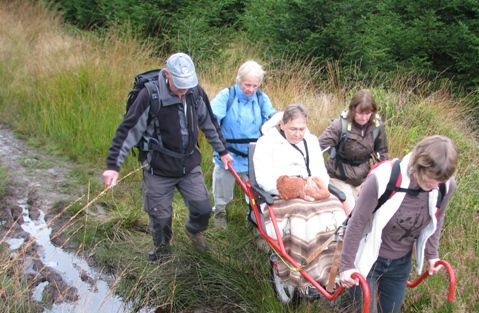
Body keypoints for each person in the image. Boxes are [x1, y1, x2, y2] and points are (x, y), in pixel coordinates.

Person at [337, 135, 457, 313]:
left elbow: (437, 218)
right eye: (430, 179)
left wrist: (432, 255)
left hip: (400, 263)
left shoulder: (445, 186)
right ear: (418, 166)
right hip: (369, 259)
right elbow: (358, 221)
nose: (434, 185)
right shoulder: (383, 179)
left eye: (439, 181)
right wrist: (346, 265)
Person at [102, 52, 232, 261]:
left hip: (189, 165)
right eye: (180, 84)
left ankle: (193, 230)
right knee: (160, 217)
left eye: (188, 84)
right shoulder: (149, 95)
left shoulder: (195, 92)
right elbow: (127, 131)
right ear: (166, 75)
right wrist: (113, 165)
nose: (184, 90)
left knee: (203, 209)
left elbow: (209, 123)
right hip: (158, 168)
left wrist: (223, 151)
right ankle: (162, 249)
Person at [253, 104, 347, 291]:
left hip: (310, 188)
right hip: (281, 193)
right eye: (293, 129)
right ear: (282, 125)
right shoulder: (266, 143)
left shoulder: (310, 141)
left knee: (338, 214)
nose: (297, 134)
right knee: (304, 219)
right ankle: (304, 276)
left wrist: (316, 184)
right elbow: (263, 179)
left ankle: (333, 271)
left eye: (301, 129)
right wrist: (296, 188)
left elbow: (321, 171)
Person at [210, 60, 276, 228]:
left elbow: (272, 118)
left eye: (255, 85)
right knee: (222, 190)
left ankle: (254, 218)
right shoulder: (227, 96)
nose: (251, 90)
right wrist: (221, 149)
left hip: (253, 156)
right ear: (239, 80)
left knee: (256, 191)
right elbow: (211, 121)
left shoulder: (261, 99)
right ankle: (220, 212)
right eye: (247, 85)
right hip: (228, 154)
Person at [319, 89, 389, 211]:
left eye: (368, 113)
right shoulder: (340, 125)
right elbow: (318, 146)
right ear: (352, 109)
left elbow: (382, 152)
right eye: (360, 113)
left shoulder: (377, 127)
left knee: (372, 210)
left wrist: (382, 176)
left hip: (363, 177)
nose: (364, 117)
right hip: (338, 176)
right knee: (351, 212)